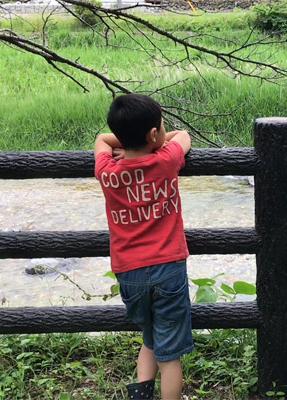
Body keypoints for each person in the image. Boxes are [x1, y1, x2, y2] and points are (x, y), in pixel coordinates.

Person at [94, 93, 193, 400]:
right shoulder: (166, 160)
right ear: (153, 134)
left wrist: (125, 142)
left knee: (150, 337)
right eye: (161, 126)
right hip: (168, 269)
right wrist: (159, 141)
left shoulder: (107, 171)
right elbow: (183, 136)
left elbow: (101, 139)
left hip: (129, 272)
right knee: (170, 354)